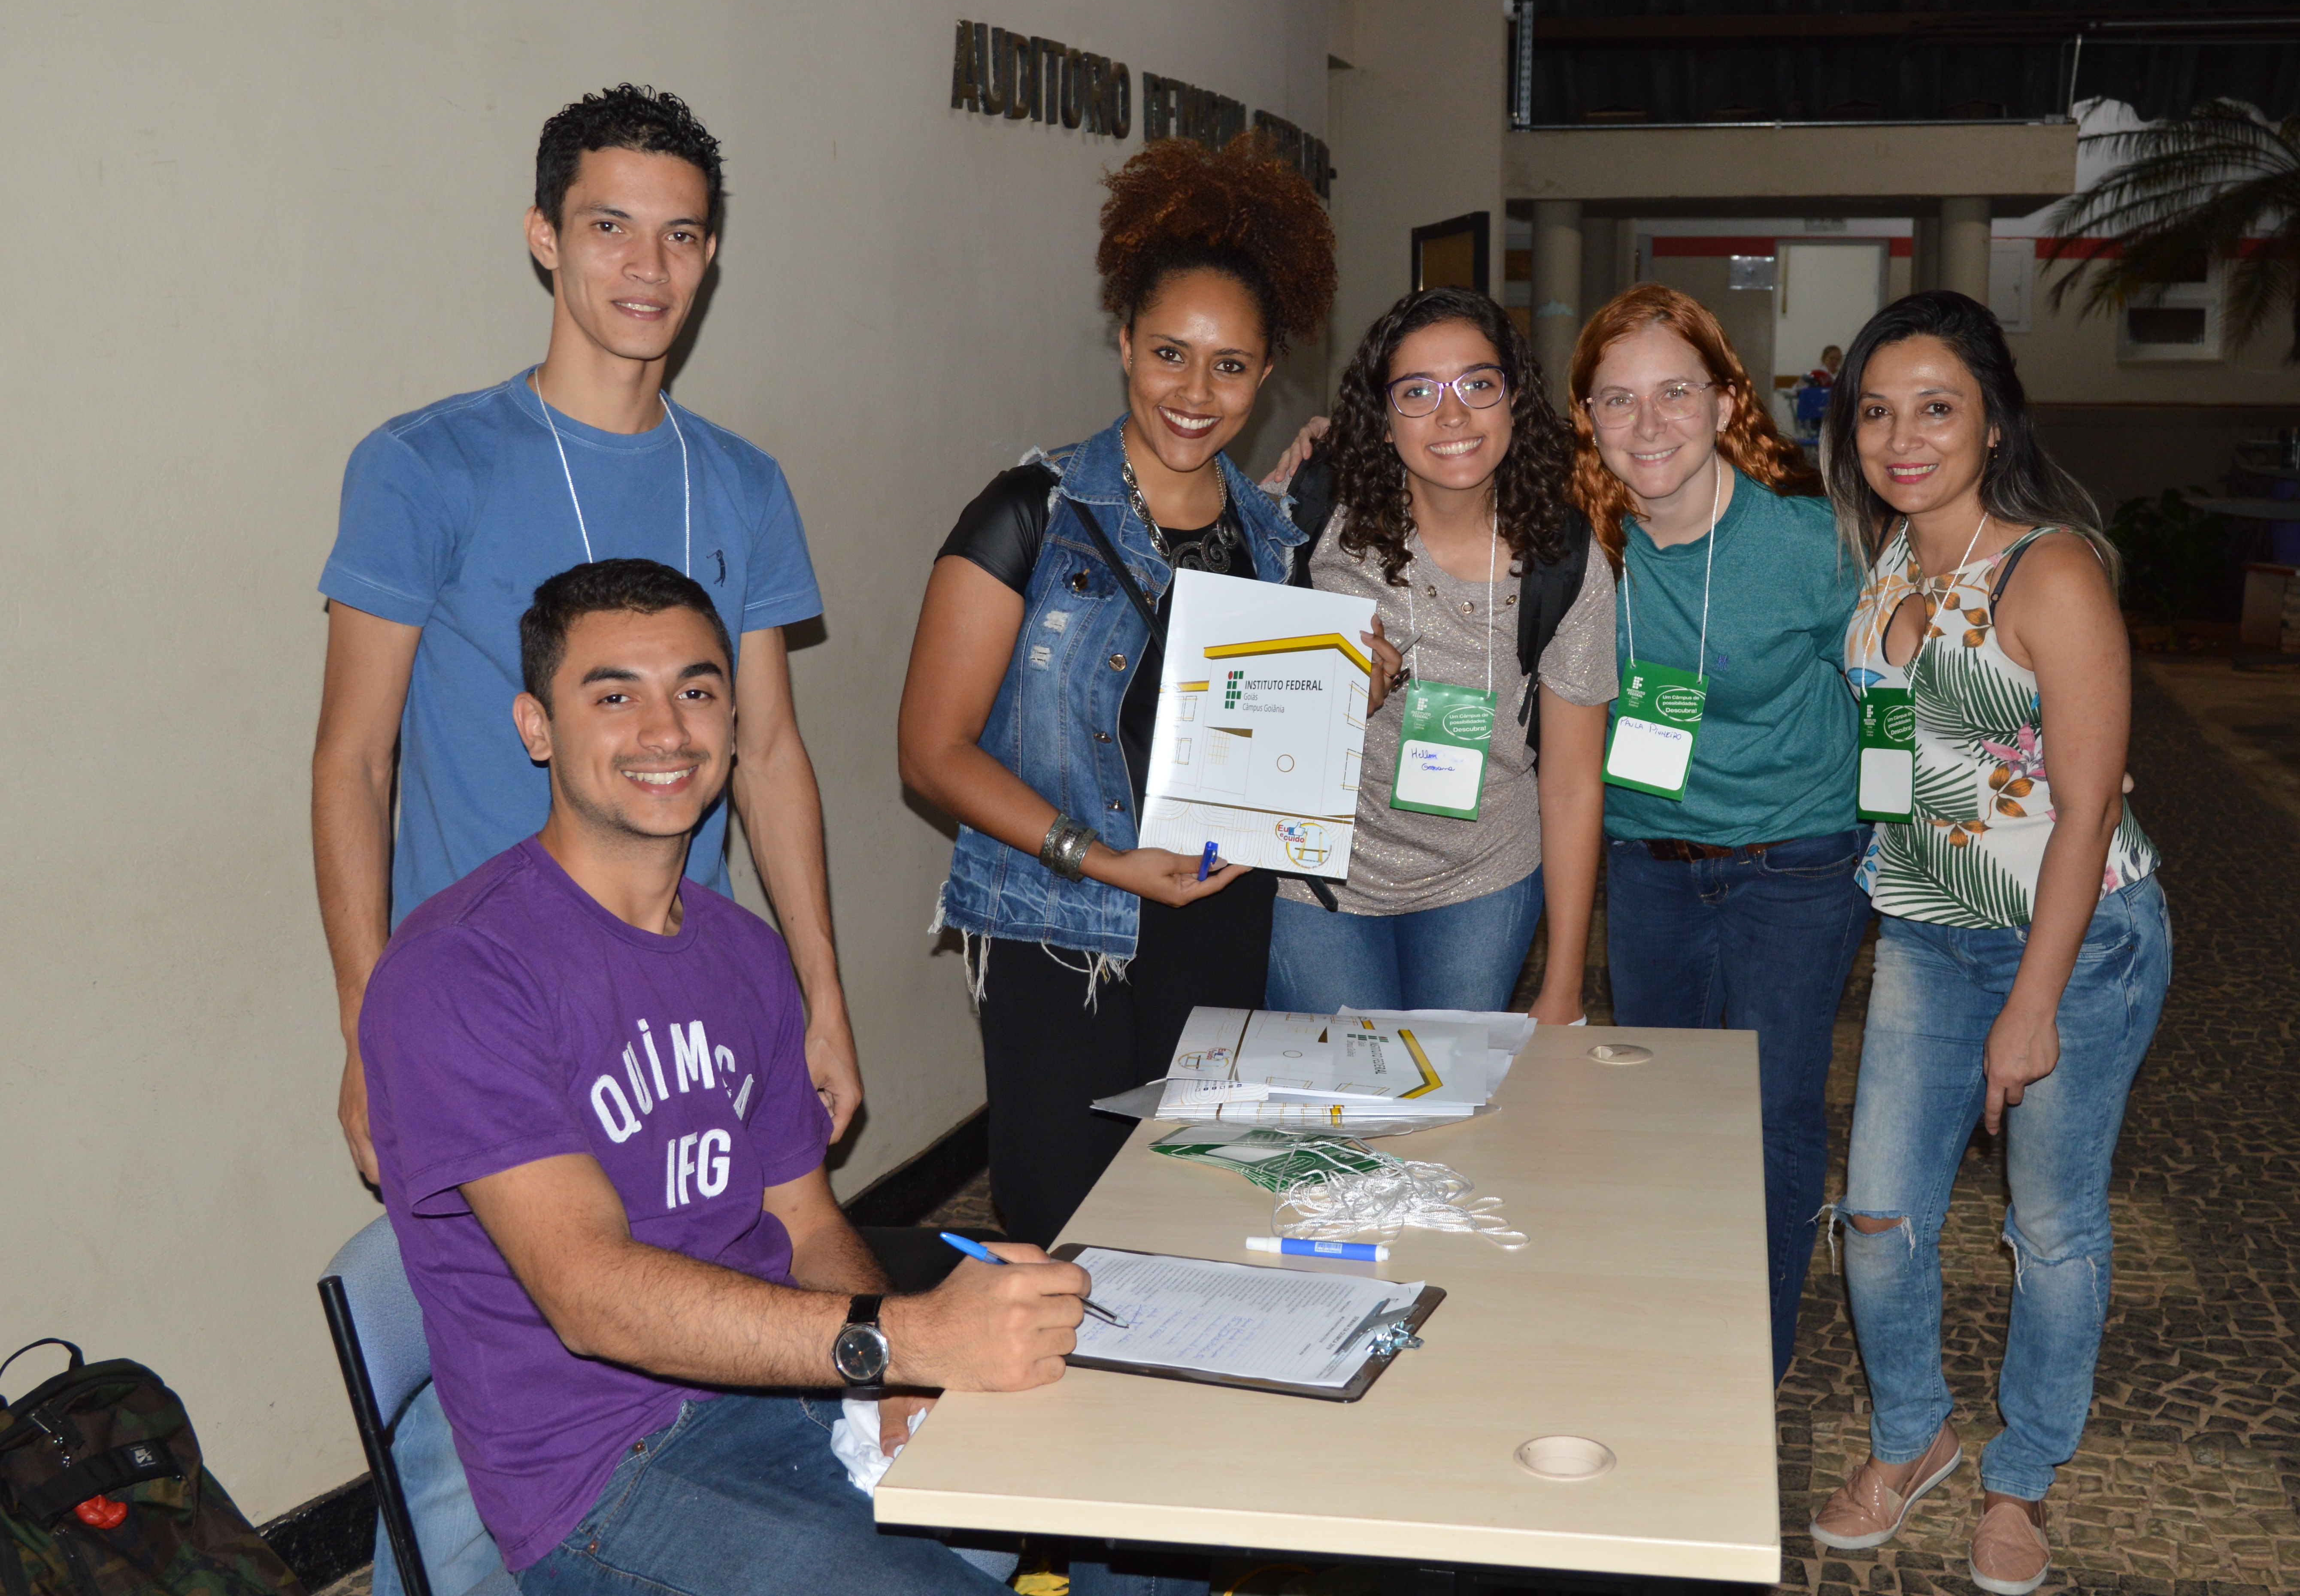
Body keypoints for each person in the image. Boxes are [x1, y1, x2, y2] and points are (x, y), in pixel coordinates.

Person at [313, 84, 857, 1596]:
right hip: (493, 1027)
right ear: (544, 238)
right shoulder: (428, 465)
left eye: (681, 235)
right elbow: (351, 760)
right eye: (609, 224)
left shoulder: (740, 481)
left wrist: (818, 993)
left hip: (690, 1003)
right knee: (477, 1445)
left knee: (696, 1349)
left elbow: (778, 759)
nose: (645, 266)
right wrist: (367, 1022)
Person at [362, 560, 1112, 1595]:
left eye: (698, 691)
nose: (665, 730)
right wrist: (900, 1333)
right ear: (536, 726)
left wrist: (905, 1365)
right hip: (609, 1476)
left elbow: (803, 1221)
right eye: (614, 694)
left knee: (1142, 1510)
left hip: (788, 1385)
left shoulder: (743, 949)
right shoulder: (459, 969)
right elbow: (593, 1299)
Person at [899, 133, 1337, 1246]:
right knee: (1062, 1226)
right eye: (1169, 354)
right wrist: (1097, 859)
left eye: (1231, 365)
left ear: (1267, 373)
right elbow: (933, 751)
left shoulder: (1274, 541)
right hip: (1065, 934)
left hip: (1224, 929)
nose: (1197, 392)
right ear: (1125, 346)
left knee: (1197, 1222)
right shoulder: (1027, 515)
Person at [1809, 292, 2168, 1596]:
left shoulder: (2050, 570)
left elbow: (2086, 807)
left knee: (2052, 1225)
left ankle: (2024, 1475)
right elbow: (1906, 767)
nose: (1904, 438)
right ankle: (1919, 1437)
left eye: (1937, 407)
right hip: (1928, 928)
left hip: (2077, 940)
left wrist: (2035, 1006)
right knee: (1879, 1213)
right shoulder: (1894, 564)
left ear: (1994, 418)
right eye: (1877, 411)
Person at [1565, 284, 1870, 1384]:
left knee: (1771, 1111)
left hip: (1796, 859)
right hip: (1649, 866)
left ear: (1726, 397)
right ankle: (1672, 1317)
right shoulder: (1578, 537)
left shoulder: (1808, 540)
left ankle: (1753, 1349)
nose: (1647, 425)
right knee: (1660, 1103)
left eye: (1673, 393)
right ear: (1586, 418)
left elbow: (1900, 677)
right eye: (1616, 400)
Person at [1262, 288, 1614, 1024]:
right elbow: (1228, 685)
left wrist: (1563, 985)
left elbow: (1575, 785)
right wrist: (1328, 684)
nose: (1451, 416)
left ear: (1513, 399)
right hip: (1315, 877)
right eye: (1417, 392)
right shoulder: (1314, 520)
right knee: (1355, 1107)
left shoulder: (1565, 557)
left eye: (1476, 384)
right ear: (1383, 421)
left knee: (1447, 1113)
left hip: (1482, 881)